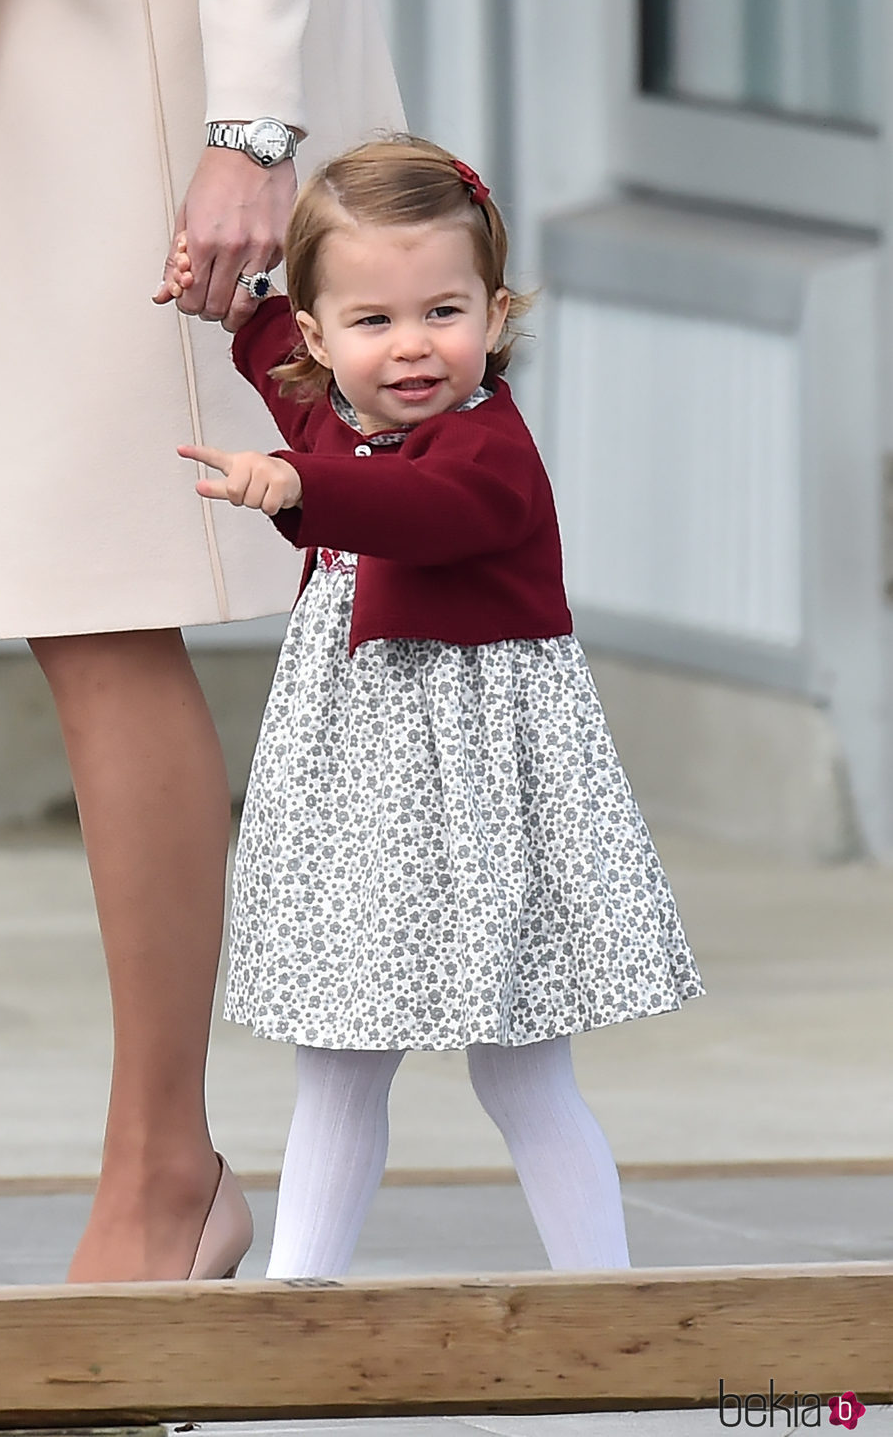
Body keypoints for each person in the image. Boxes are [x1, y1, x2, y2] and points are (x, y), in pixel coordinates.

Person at [0, 0, 403, 1281]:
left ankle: (161, 1178)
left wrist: (248, 122)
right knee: (92, 611)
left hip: (102, 90)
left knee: (95, 610)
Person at [180, 135, 706, 1279]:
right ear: (324, 338)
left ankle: (602, 1302)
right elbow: (289, 367)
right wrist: (242, 314)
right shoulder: (338, 413)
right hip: (359, 785)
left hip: (483, 789)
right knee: (338, 1055)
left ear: (494, 310)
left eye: (443, 311)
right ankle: (297, 1313)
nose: (412, 345)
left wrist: (299, 486)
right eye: (372, 322)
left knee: (518, 1064)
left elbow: (418, 505)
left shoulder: (487, 454)